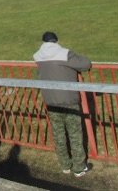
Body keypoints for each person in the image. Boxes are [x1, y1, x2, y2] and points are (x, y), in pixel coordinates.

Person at [34, 31, 92, 177]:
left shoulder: (37, 56)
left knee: (58, 134)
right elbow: (86, 64)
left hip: (51, 101)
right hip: (68, 100)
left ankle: (65, 165)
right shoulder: (65, 53)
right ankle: (79, 168)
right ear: (56, 40)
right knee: (75, 134)